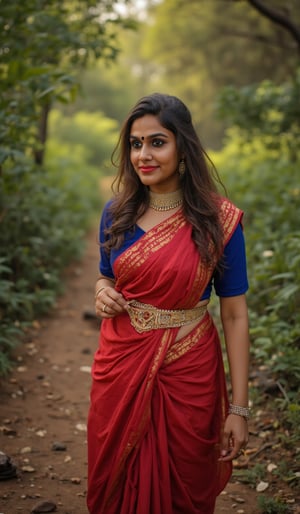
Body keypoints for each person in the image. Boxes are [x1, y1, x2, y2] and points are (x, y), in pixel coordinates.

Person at [87, 93, 250, 514]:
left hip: (189, 372)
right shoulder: (117, 212)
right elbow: (107, 274)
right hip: (120, 366)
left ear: (183, 148)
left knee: (183, 486)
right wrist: (102, 290)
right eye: (136, 143)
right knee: (118, 481)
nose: (143, 154)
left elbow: (233, 313)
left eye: (157, 142)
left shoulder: (218, 221)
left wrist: (239, 408)